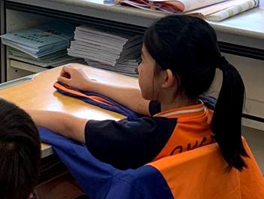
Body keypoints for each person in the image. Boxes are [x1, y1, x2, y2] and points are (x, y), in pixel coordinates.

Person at [28, 14, 251, 172]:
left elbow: (68, 126)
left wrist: (16, 111)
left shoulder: (144, 137)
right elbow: (139, 102)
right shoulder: (212, 111)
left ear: (166, 79)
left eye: (143, 60)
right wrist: (90, 84)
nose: (138, 68)